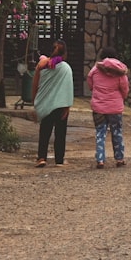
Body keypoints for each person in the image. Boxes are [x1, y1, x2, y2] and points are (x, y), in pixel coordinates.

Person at [31, 40, 74, 168]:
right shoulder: (66, 68)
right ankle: (59, 159)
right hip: (61, 105)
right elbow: (68, 88)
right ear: (64, 54)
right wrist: (67, 106)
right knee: (60, 133)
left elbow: (35, 85)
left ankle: (41, 158)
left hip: (45, 105)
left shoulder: (41, 66)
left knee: (44, 132)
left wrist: (35, 102)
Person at [86, 46, 129, 169]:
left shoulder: (95, 69)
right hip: (115, 108)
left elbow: (90, 84)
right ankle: (119, 159)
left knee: (100, 132)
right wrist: (121, 98)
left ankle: (100, 160)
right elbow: (125, 89)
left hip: (98, 107)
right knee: (117, 132)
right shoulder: (120, 71)